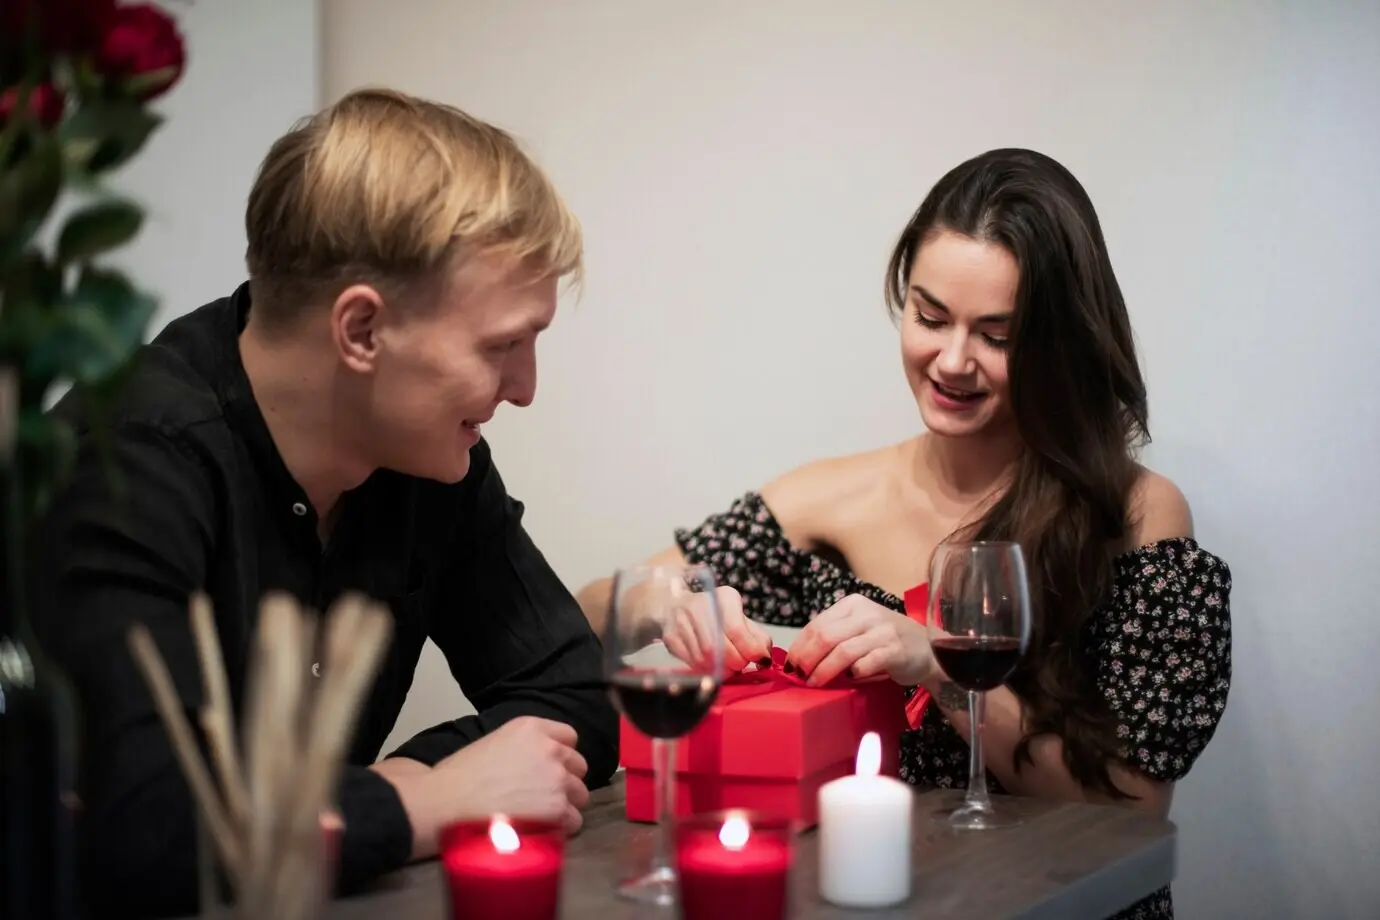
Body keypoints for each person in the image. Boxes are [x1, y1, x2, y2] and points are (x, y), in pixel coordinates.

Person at [578, 148, 1232, 920]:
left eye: (998, 334)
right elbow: (583, 618)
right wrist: (673, 602)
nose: (952, 360)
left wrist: (935, 665)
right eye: (929, 317)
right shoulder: (829, 498)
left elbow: (1132, 808)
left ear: (1058, 342)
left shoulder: (1134, 514)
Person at [29, 88, 619, 917]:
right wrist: (425, 803)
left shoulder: (427, 456)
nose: (523, 389)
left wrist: (390, 787)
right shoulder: (126, 463)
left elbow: (575, 697)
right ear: (362, 332)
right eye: (502, 347)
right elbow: (148, 832)